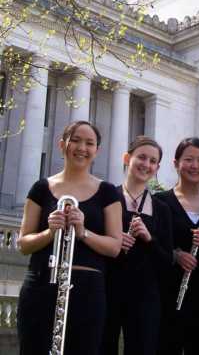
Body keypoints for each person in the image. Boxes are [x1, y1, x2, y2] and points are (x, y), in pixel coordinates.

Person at [17, 120, 122, 355]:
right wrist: (50, 232)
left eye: (89, 143)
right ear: (62, 144)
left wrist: (83, 232)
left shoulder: (108, 192)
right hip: (42, 285)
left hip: (88, 291)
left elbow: (114, 247)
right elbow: (23, 244)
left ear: (97, 151)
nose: (81, 147)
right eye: (75, 140)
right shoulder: (41, 188)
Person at [102, 136, 173, 355]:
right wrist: (113, 240)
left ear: (157, 167)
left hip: (145, 295)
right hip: (107, 289)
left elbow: (167, 260)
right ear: (127, 158)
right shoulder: (106, 196)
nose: (146, 164)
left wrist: (149, 239)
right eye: (141, 157)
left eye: (153, 161)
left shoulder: (162, 208)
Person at [155, 137, 199, 355]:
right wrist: (175, 254)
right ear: (175, 163)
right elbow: (152, 245)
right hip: (168, 295)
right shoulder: (159, 201)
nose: (195, 166)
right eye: (189, 159)